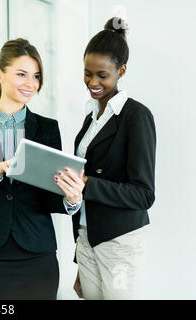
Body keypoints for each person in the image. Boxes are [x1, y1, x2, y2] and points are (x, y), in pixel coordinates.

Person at [0, 38, 84, 300]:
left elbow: (49, 195)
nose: (30, 83)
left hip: (38, 255)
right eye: (21, 74)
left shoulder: (47, 128)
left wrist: (71, 199)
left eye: (35, 76)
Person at [56, 17, 156, 299]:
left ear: (121, 70)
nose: (93, 82)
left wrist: (87, 184)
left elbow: (144, 194)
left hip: (120, 244)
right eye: (87, 73)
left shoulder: (136, 116)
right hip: (87, 239)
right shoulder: (92, 117)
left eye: (102, 75)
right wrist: (79, 258)